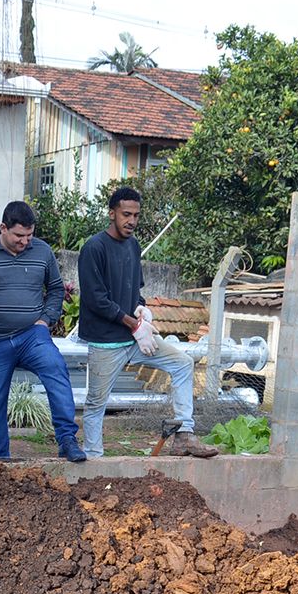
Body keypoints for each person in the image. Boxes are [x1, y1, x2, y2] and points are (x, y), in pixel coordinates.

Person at [77, 186, 218, 459]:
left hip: (134, 337)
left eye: (136, 215)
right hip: (106, 341)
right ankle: (93, 457)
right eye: (126, 214)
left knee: (182, 362)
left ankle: (185, 436)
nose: (131, 221)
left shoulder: (132, 245)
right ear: (111, 214)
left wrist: (141, 309)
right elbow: (96, 299)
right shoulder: (94, 248)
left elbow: (134, 290)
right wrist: (133, 324)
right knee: (96, 403)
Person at [0, 200, 86, 462]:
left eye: (29, 235)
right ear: (3, 228)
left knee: (57, 370)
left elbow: (57, 289)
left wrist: (45, 320)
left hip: (32, 336)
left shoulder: (42, 251)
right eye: (19, 236)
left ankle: (67, 440)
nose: (25, 241)